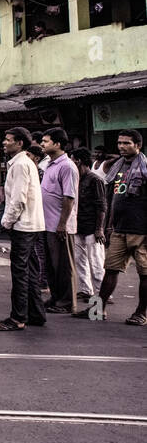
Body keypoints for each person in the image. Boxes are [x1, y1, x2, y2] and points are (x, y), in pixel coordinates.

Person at [74, 129, 147, 324]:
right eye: (120, 143)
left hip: (141, 231)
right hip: (119, 229)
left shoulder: (144, 168)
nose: (122, 147)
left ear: (137, 145)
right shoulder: (118, 167)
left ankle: (141, 313)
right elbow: (113, 198)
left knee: (144, 274)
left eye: (127, 143)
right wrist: (107, 226)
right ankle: (99, 309)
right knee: (110, 270)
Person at [0, 127, 45, 332]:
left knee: (20, 272)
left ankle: (18, 318)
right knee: (30, 270)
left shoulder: (21, 164)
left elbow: (18, 199)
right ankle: (36, 314)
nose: (4, 143)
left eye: (8, 140)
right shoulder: (23, 162)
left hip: (23, 225)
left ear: (20, 143)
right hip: (31, 224)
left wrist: (6, 222)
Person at [39, 128, 79, 314]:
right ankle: (56, 297)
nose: (42, 144)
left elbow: (69, 198)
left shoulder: (67, 166)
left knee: (63, 265)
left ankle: (66, 302)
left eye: (46, 141)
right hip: (48, 223)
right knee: (51, 265)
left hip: (60, 225)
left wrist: (62, 224)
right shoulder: (50, 164)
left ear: (57, 144)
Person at [70, 149, 107, 303]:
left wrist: (99, 229)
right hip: (79, 226)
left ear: (78, 161)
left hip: (92, 228)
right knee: (80, 261)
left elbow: (101, 206)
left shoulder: (95, 180)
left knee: (96, 263)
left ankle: (102, 293)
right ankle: (86, 290)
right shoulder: (76, 179)